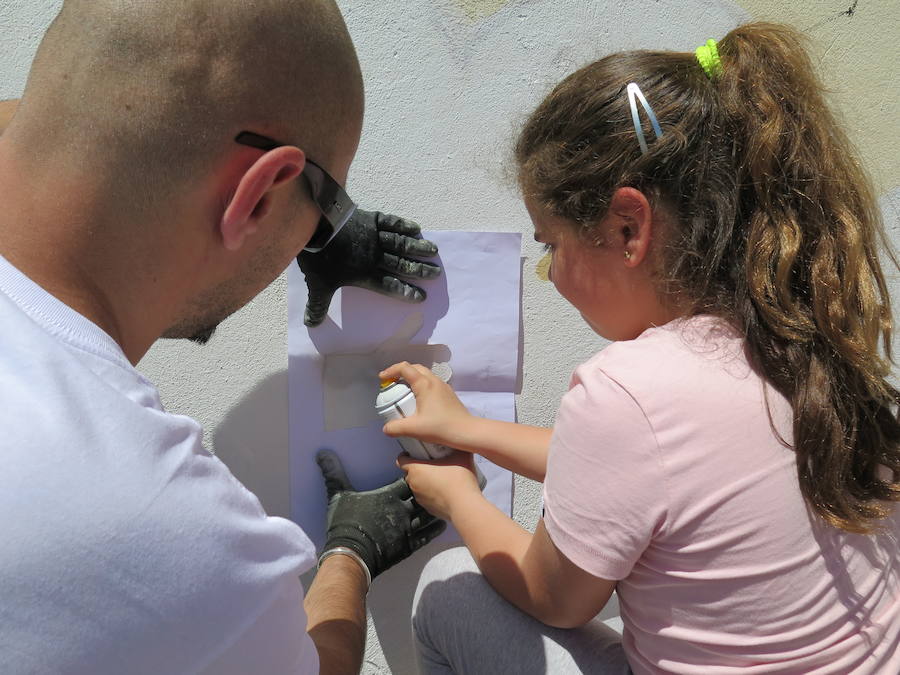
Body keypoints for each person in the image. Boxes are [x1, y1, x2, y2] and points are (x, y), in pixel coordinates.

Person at [381, 22, 900, 674]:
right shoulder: (798, 332)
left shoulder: (628, 391)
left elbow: (554, 595)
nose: (554, 275)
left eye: (552, 246)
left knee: (446, 588)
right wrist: (471, 429)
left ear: (629, 227)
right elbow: (635, 474)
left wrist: (459, 494)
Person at [0, 1, 445, 673]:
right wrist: (349, 553)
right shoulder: (155, 530)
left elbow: (62, 113)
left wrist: (298, 217)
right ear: (259, 194)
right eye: (324, 211)